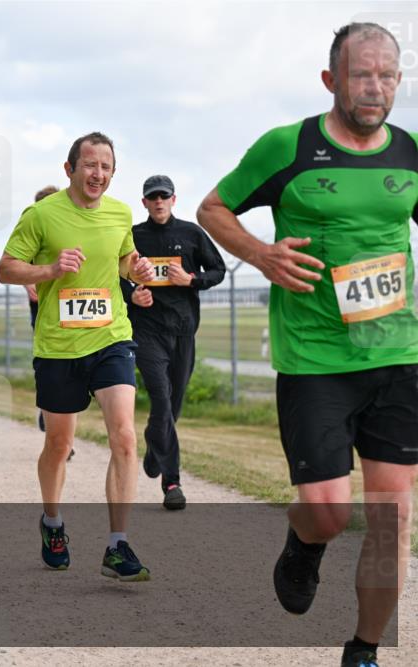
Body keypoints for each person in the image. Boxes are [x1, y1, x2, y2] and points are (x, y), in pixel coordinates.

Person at [196, 23, 417, 667]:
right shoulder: (286, 147)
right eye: (360, 75)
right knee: (327, 514)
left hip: (398, 355)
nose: (374, 88)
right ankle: (304, 543)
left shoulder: (409, 153)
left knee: (393, 517)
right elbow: (214, 209)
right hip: (315, 360)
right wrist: (261, 254)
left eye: (387, 76)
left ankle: (365, 652)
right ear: (331, 80)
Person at [0, 133, 155, 579]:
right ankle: (52, 522)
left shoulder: (122, 213)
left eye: (106, 167)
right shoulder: (41, 215)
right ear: (70, 169)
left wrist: (135, 268)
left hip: (111, 337)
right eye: (90, 165)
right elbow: (5, 268)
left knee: (124, 435)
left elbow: (125, 258)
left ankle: (117, 545)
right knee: (59, 444)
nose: (98, 174)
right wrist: (49, 269)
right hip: (58, 345)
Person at [120, 175, 226, 510]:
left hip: (183, 331)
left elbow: (218, 270)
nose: (159, 201)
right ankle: (172, 482)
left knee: (173, 405)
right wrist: (131, 295)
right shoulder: (133, 237)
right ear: (145, 203)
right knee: (162, 401)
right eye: (152, 197)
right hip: (147, 331)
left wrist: (192, 279)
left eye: (164, 196)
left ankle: (155, 446)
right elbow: (111, 276)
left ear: (174, 199)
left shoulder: (192, 233)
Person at [30, 185, 60, 438]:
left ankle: (56, 418)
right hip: (43, 308)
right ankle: (48, 411)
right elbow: (19, 264)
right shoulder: (34, 229)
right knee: (50, 361)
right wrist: (32, 285)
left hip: (70, 308)